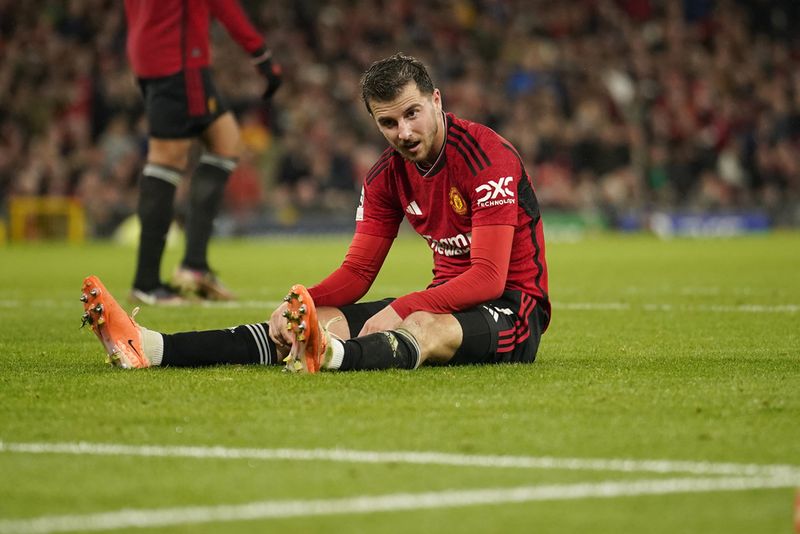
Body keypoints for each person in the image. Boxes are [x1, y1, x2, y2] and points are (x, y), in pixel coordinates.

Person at [80, 53, 550, 372]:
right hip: (450, 295)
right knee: (310, 321)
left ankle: (334, 358)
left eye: (412, 114)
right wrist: (301, 301)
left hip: (513, 309)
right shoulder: (385, 175)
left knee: (422, 325)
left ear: (437, 101)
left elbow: (489, 277)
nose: (403, 132)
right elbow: (359, 270)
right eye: (387, 122)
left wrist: (402, 308)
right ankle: (155, 348)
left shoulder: (487, 156)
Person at [124, 0, 282, 305]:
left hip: (154, 52)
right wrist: (259, 52)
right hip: (177, 59)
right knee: (166, 158)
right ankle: (146, 282)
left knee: (227, 143)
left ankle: (194, 266)